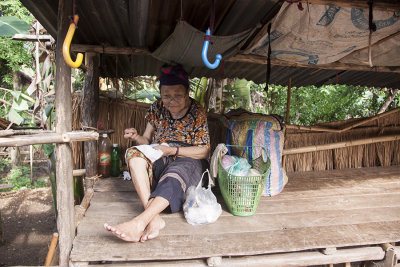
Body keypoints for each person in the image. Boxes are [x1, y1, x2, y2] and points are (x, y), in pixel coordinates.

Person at [104, 64, 210, 242]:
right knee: (134, 155)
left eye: (178, 96)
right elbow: (146, 140)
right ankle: (154, 218)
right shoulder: (157, 108)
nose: (171, 101)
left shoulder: (197, 112)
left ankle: (140, 222)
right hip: (160, 152)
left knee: (173, 176)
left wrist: (172, 150)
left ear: (187, 92)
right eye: (166, 96)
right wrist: (137, 137)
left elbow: (205, 151)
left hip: (188, 157)